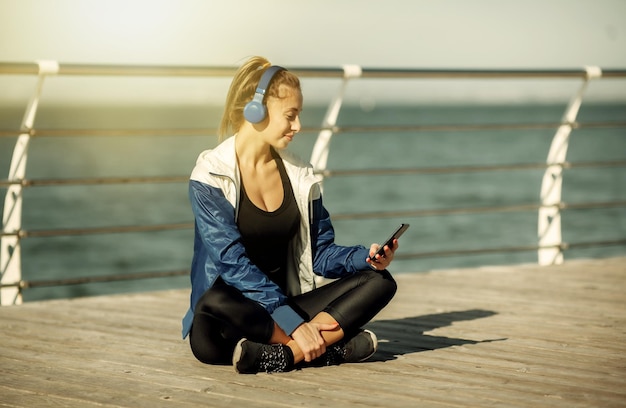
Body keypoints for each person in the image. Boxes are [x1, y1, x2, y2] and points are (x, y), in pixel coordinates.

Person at [181, 56, 398, 374]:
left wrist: (363, 258)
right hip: (235, 316)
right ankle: (328, 350)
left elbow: (319, 255)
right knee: (213, 303)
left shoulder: (300, 176)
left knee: (379, 281)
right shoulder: (211, 176)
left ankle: (284, 356)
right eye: (290, 115)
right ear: (256, 111)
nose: (298, 126)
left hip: (287, 308)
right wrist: (292, 321)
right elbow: (232, 264)